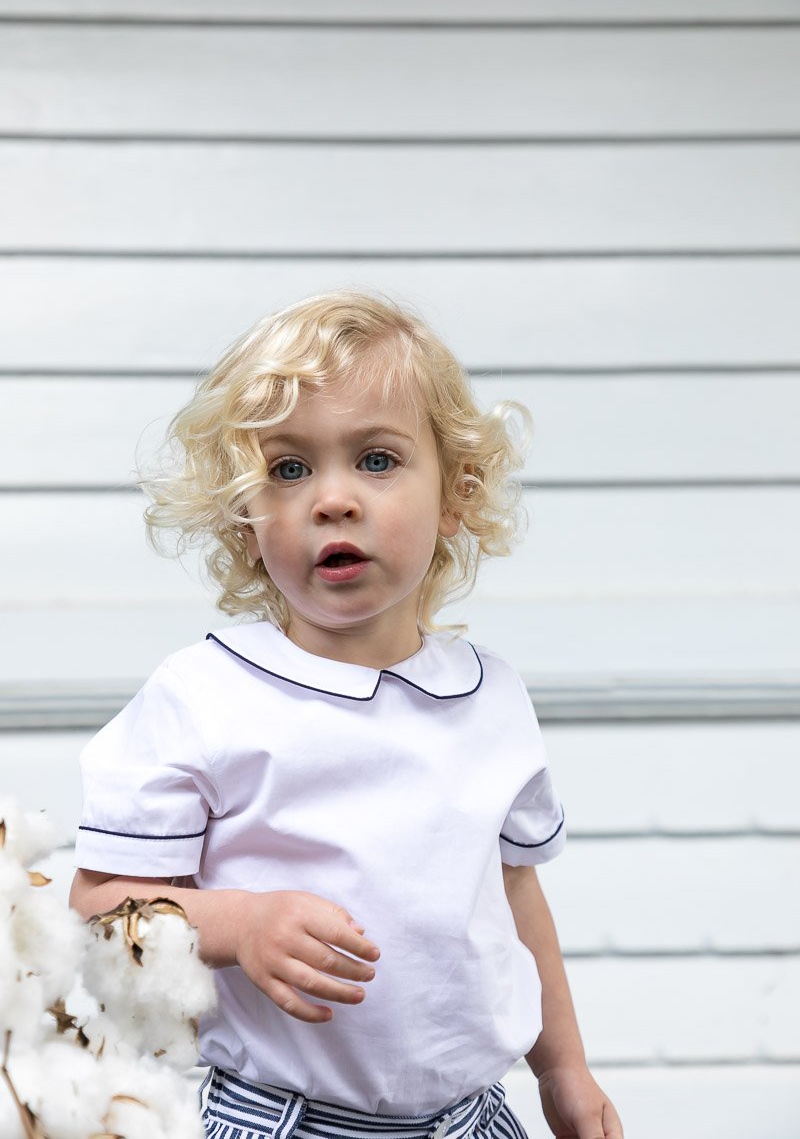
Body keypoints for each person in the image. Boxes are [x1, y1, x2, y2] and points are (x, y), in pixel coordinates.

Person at [69, 291, 623, 1139]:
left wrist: (564, 1068)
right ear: (245, 521)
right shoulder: (205, 697)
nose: (332, 499)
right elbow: (95, 905)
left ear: (455, 496)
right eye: (288, 470)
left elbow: (516, 896)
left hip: (473, 1118)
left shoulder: (493, 697)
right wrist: (235, 924)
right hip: (279, 1119)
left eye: (375, 459)